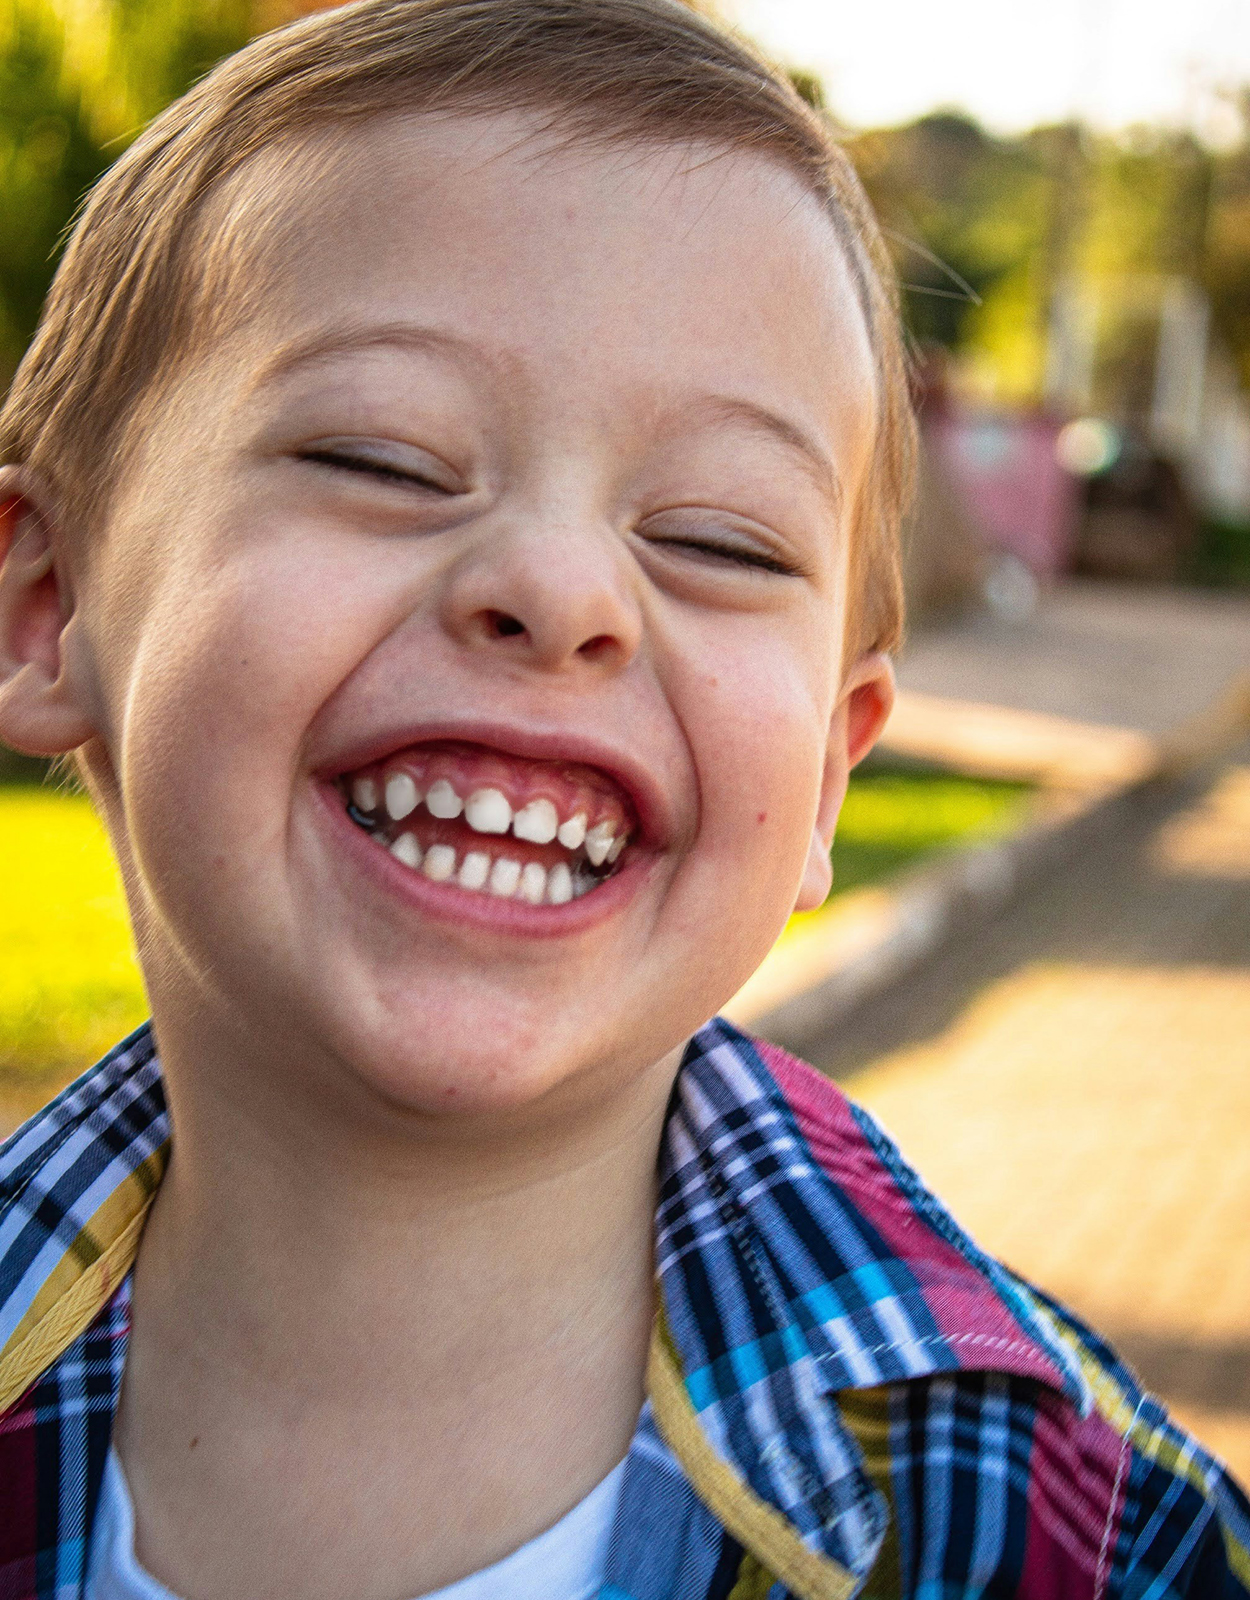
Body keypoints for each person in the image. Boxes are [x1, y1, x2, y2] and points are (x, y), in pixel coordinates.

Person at [0, 2, 1245, 1596]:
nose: (558, 586)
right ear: (48, 611)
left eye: (720, 538)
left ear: (827, 773)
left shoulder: (1074, 1541)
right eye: (382, 458)